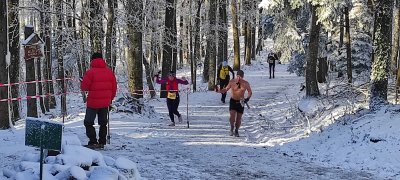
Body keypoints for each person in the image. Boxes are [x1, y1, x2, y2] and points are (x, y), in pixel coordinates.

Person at [81, 52, 117, 148]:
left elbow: (84, 87)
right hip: (105, 103)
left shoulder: (90, 72)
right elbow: (114, 88)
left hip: (93, 102)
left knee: (88, 122)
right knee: (103, 123)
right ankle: (102, 141)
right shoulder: (109, 72)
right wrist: (110, 99)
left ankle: (93, 141)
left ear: (92, 60)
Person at [216, 70, 252, 137]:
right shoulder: (232, 82)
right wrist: (219, 91)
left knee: (239, 118)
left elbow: (250, 92)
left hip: (241, 102)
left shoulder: (246, 83)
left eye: (240, 76)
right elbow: (225, 89)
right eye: (238, 76)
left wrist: (247, 98)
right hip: (233, 101)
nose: (239, 78)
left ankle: (236, 130)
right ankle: (232, 127)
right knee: (232, 116)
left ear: (243, 76)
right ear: (236, 76)